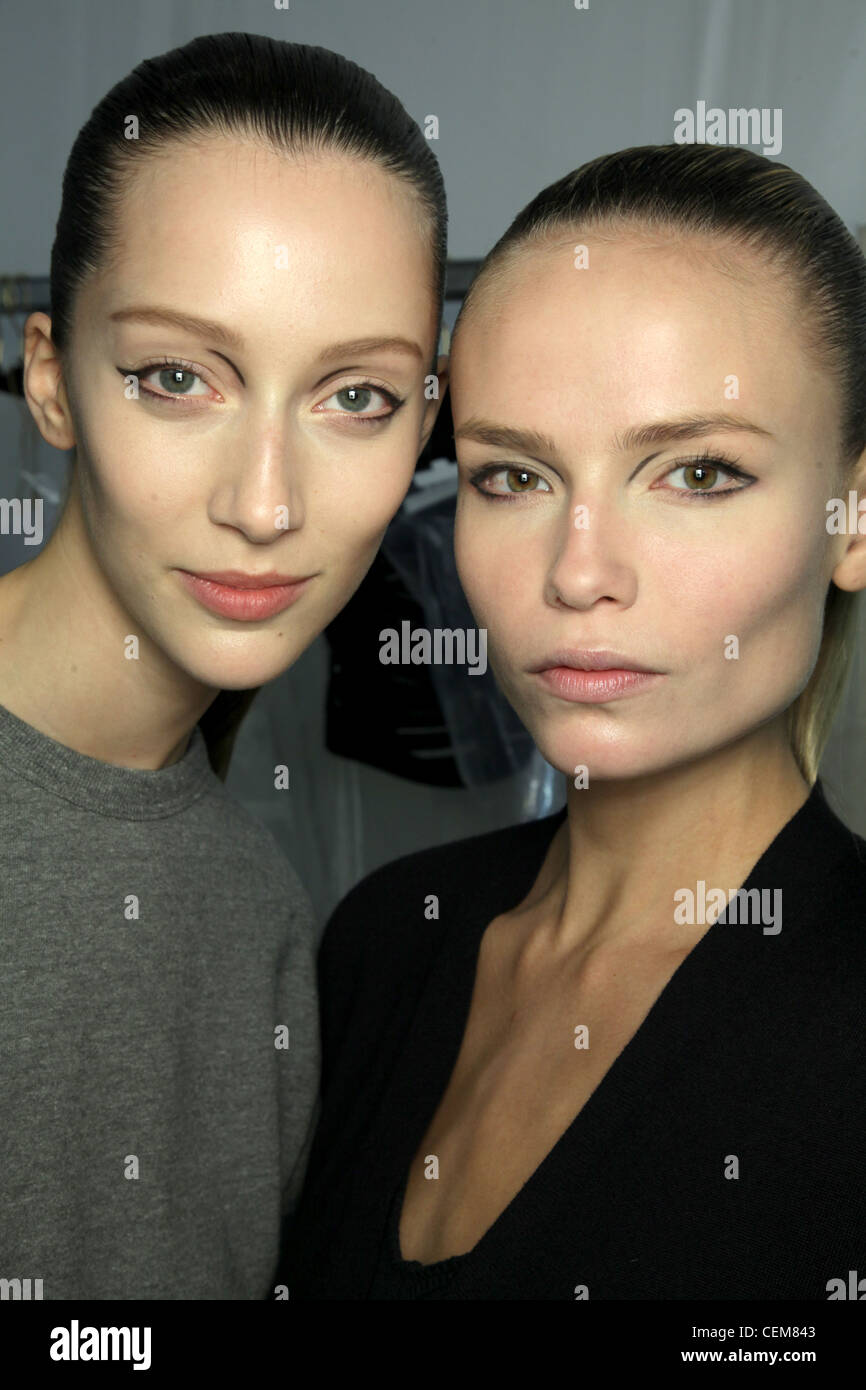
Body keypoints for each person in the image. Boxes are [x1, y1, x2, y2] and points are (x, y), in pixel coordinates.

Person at [282, 142, 866, 1299]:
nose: (576, 573)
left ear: (849, 520)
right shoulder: (382, 943)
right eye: (512, 477)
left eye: (695, 473)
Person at [0, 31, 447, 1299]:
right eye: (176, 377)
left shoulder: (260, 914)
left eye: (355, 396)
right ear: (51, 381)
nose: (265, 503)